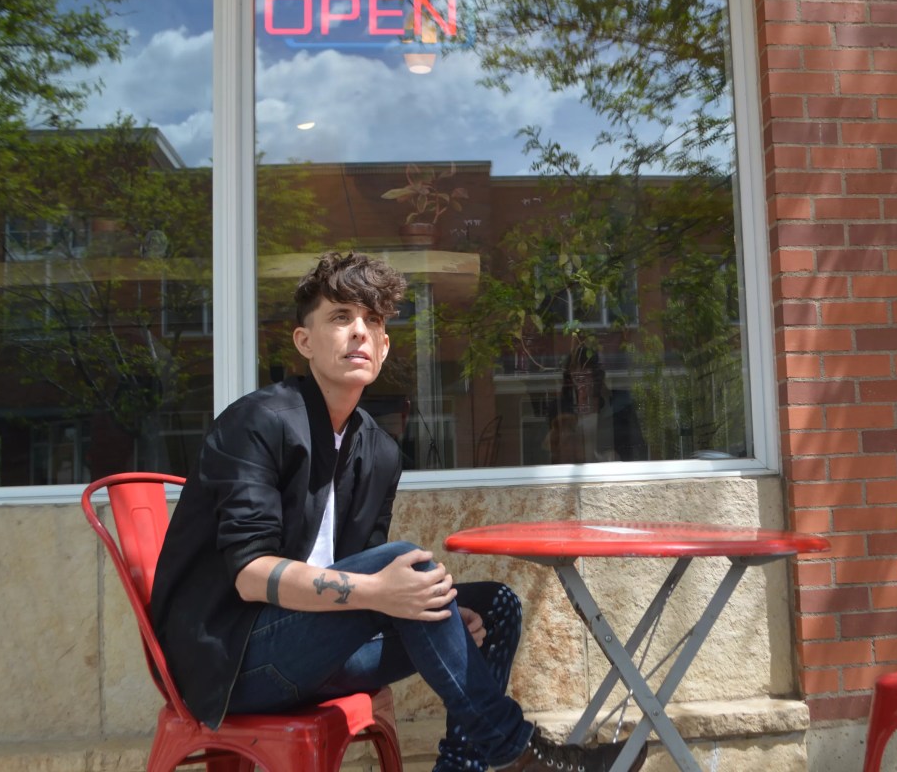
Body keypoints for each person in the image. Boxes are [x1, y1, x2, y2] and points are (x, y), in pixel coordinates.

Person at [150, 252, 645, 772]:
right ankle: (514, 751)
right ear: (304, 341)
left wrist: (437, 616)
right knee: (406, 565)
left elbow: (369, 578)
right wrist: (379, 591)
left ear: (384, 347)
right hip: (234, 664)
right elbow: (251, 575)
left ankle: (465, 767)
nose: (358, 332)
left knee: (495, 606)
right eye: (340, 317)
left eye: (372, 321)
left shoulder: (378, 451)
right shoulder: (258, 422)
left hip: (318, 648)